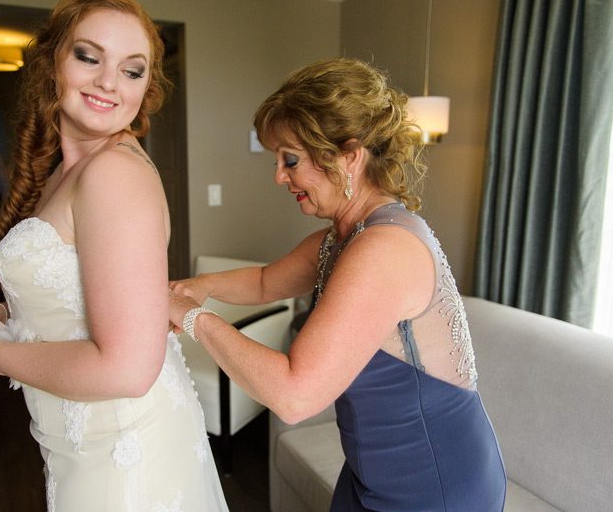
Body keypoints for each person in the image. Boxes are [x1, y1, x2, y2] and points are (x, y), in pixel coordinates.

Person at [0, 0, 228, 511]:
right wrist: (3, 315)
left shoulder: (114, 173)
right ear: (51, 63)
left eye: (132, 71)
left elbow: (129, 370)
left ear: (146, 88)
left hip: (124, 451)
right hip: (80, 442)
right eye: (89, 57)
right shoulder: (68, 172)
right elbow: (83, 295)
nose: (109, 81)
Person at [169, 58, 507, 511]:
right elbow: (267, 281)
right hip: (373, 471)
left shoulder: (384, 249)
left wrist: (192, 318)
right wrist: (197, 285)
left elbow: (294, 396)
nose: (278, 176)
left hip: (431, 485)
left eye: (290, 160)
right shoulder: (340, 238)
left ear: (349, 155)